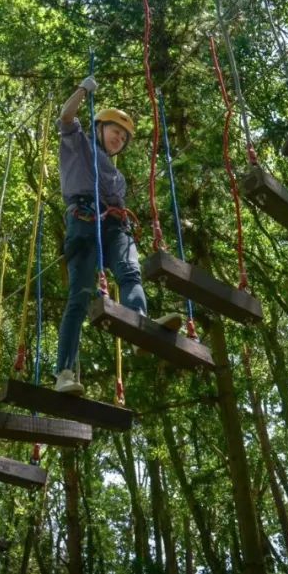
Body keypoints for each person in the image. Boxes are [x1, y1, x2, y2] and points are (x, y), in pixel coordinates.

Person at [54, 75, 182, 395]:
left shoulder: (118, 177)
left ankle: (139, 321)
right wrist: (83, 89)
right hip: (84, 219)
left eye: (124, 137)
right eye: (115, 131)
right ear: (100, 128)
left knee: (130, 271)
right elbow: (66, 117)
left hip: (114, 223)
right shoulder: (78, 143)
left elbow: (119, 207)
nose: (119, 139)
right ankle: (65, 372)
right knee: (80, 296)